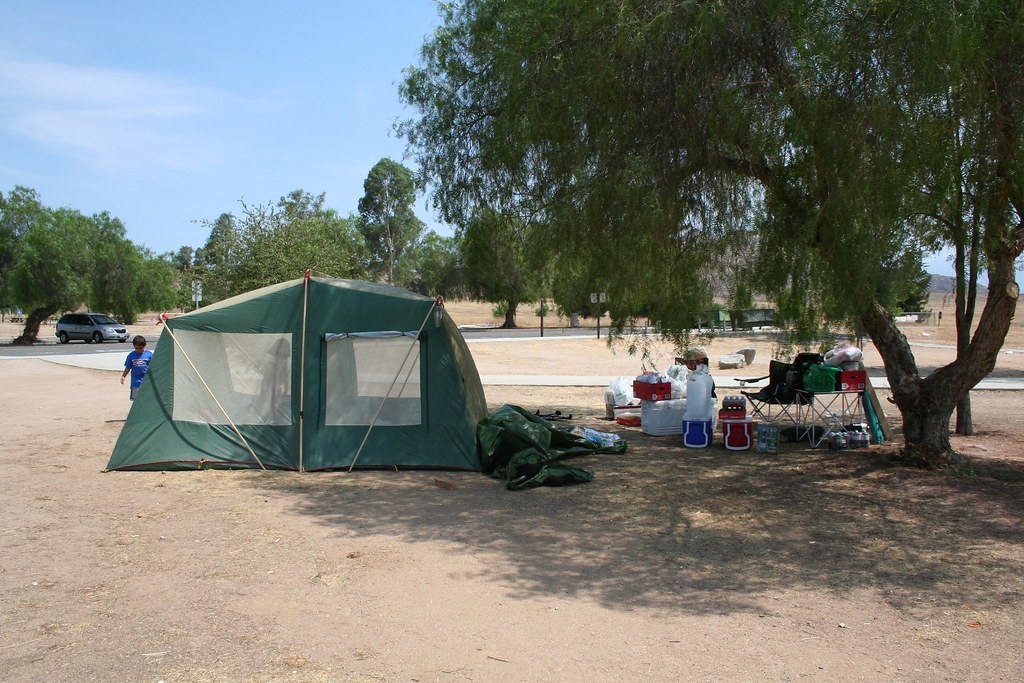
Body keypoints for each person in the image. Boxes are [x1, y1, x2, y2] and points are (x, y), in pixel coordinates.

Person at [121, 335, 153, 400]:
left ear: (145, 345)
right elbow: (128, 367)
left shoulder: (149, 355)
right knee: (136, 400)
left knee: (147, 399)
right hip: (135, 382)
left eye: (140, 348)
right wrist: (123, 376)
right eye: (136, 348)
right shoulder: (131, 355)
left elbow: (154, 367)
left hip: (146, 382)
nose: (138, 350)